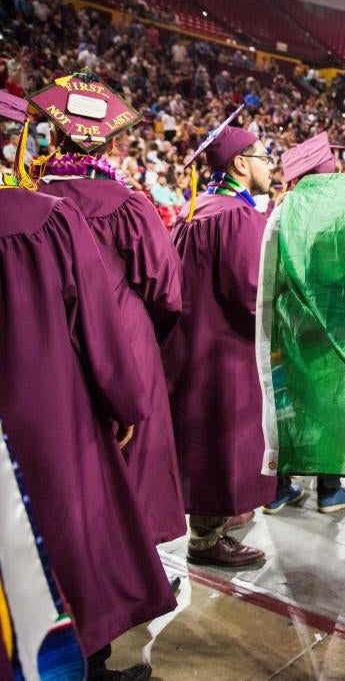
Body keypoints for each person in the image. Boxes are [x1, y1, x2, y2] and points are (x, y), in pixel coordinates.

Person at [0, 90, 174, 681]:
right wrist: (126, 399)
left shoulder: (48, 206)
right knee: (70, 527)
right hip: (51, 399)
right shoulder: (49, 219)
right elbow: (150, 297)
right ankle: (84, 661)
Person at [32, 72, 187, 546]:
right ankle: (134, 573)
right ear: (111, 146)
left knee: (71, 461)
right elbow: (166, 291)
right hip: (125, 341)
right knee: (133, 462)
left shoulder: (29, 202)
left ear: (54, 137)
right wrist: (144, 335)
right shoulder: (127, 204)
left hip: (53, 348)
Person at [162, 108, 277, 567]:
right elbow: (254, 292)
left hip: (191, 348)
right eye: (264, 157)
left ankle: (209, 526)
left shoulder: (196, 210)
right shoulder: (234, 216)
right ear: (241, 164)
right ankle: (207, 539)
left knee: (203, 439)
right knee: (222, 440)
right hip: (226, 352)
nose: (271, 166)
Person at [265, 131, 345, 515]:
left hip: (281, 325)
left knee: (284, 405)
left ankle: (277, 488)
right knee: (328, 406)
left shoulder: (278, 212)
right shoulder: (334, 219)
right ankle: (329, 489)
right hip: (322, 329)